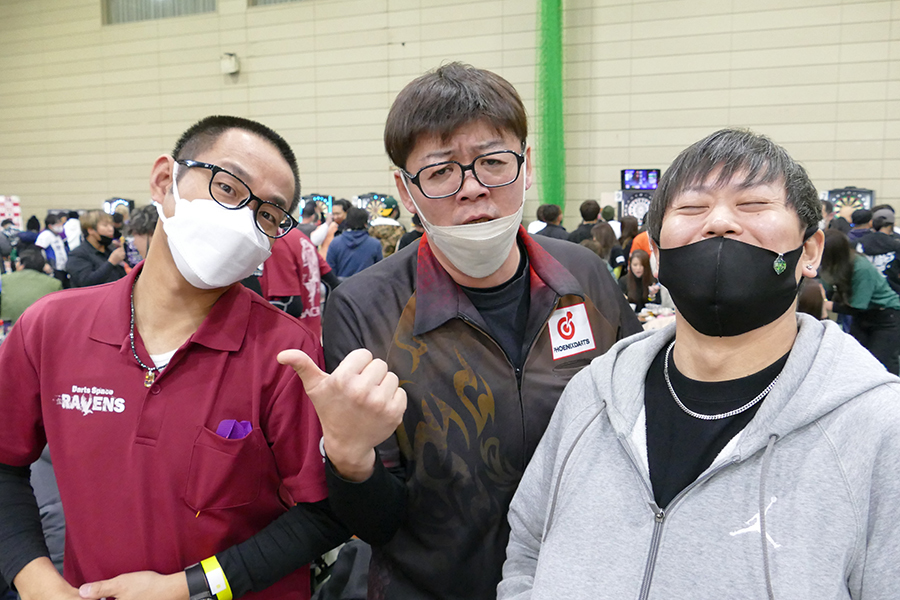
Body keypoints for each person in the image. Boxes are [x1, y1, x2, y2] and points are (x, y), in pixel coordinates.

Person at [277, 62, 641, 600]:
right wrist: (350, 456)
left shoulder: (584, 278)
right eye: (441, 171)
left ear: (526, 166)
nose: (472, 189)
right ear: (405, 191)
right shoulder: (367, 308)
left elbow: (634, 431)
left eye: (493, 162)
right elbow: (378, 523)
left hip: (576, 581)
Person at [499, 128, 900, 599]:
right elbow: (528, 548)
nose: (720, 222)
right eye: (692, 208)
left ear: (809, 250)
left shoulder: (878, 428)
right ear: (657, 253)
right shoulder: (592, 394)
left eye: (753, 204)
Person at [0, 115, 349, 600]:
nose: (244, 220)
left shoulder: (285, 353)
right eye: (228, 188)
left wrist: (191, 587)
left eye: (269, 216)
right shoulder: (51, 327)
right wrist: (35, 580)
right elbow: (5, 466)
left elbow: (326, 512)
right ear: (165, 180)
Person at [820, 228, 900, 374]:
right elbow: (828, 290)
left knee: (878, 364)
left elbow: (858, 306)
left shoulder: (861, 267)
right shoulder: (832, 266)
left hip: (886, 317)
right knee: (853, 359)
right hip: (862, 317)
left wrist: (827, 305)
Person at [0, 248, 62, 325]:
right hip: (42, 326)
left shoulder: (3, 280)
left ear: (22, 265)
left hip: (10, 326)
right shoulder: (55, 283)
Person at [66, 210, 127, 287]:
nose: (111, 229)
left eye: (111, 225)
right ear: (90, 230)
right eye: (105, 225)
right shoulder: (77, 255)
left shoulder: (110, 249)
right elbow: (85, 282)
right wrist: (111, 263)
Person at [325, 206, 382, 279]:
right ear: (365, 223)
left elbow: (330, 271)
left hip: (342, 285)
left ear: (347, 221)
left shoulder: (335, 243)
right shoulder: (375, 244)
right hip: (367, 284)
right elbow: (379, 271)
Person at [856, 208, 900, 295]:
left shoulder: (859, 243)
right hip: (892, 293)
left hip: (865, 292)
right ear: (891, 225)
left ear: (872, 223)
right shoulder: (896, 244)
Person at [34, 214, 69, 287]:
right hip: (53, 269)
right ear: (50, 226)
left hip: (62, 268)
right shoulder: (45, 235)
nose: (60, 225)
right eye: (57, 223)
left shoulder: (58, 236)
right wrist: (44, 264)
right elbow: (37, 250)